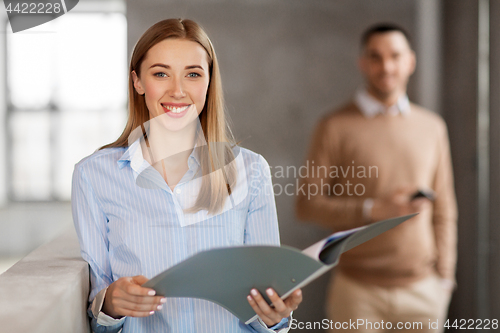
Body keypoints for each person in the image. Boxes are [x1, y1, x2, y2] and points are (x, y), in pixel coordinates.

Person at [72, 18, 301, 333]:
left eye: (193, 74)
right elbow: (98, 311)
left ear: (209, 81)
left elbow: (269, 312)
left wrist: (275, 316)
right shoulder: (94, 175)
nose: (177, 91)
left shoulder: (251, 170)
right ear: (138, 82)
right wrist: (111, 302)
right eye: (161, 73)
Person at [295, 24, 457, 333]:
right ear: (362, 62)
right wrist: (372, 210)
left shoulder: (433, 127)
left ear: (410, 61)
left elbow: (445, 208)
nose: (386, 66)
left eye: (395, 56)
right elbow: (306, 205)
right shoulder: (333, 126)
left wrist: (445, 279)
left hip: (424, 293)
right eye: (375, 56)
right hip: (356, 292)